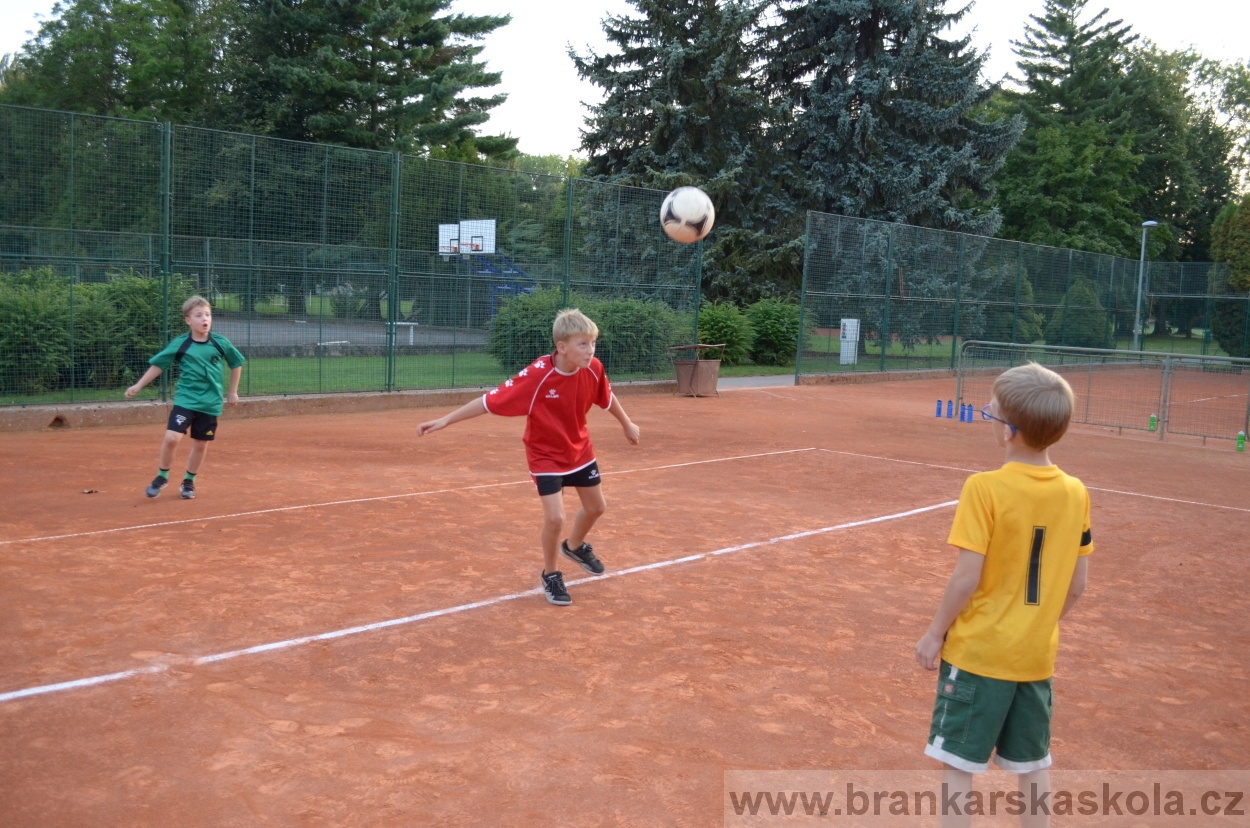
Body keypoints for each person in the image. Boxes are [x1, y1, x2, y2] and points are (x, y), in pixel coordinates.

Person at [915, 362, 1093, 828]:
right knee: (1033, 767)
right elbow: (1078, 585)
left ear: (1010, 431)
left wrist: (935, 634)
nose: (989, 417)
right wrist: (1035, 626)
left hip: (979, 654)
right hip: (1035, 657)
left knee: (959, 765)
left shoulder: (985, 488)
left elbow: (965, 578)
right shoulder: (1076, 493)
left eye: (993, 414)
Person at [417, 308, 640, 606]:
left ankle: (574, 547)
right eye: (582, 344)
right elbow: (488, 401)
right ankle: (551, 574)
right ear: (562, 347)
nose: (590, 350)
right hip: (545, 454)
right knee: (555, 517)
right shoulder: (537, 376)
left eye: (592, 343)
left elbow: (606, 397)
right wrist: (445, 420)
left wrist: (626, 423)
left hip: (579, 449)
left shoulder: (594, 368)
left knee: (597, 507)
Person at [125, 295, 245, 500]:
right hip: (186, 400)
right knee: (172, 438)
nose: (204, 319)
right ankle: (162, 475)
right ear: (188, 320)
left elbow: (236, 363)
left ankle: (189, 481)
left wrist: (232, 391)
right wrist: (138, 385)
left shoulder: (220, 343)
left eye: (207, 314)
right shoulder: (181, 344)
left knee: (200, 444)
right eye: (198, 315)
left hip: (210, 402)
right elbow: (159, 364)